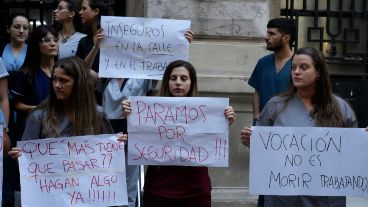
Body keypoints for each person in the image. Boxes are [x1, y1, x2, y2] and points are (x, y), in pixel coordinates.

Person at [240, 47, 357, 207]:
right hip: (284, 196)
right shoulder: (275, 106)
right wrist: (251, 141)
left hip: (326, 197)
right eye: (293, 67)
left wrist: (364, 140)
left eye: (303, 67)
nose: (296, 72)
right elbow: (263, 150)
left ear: (318, 73)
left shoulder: (340, 108)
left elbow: (353, 152)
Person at [122, 60, 235, 207]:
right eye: (173, 78)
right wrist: (130, 121)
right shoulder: (147, 112)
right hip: (158, 189)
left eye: (184, 78)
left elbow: (213, 143)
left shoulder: (208, 113)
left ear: (191, 82)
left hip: (195, 191)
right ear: (167, 82)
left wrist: (226, 121)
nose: (178, 83)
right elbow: (142, 143)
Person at [12, 25, 59, 138]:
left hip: (59, 127)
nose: (53, 44)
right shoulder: (25, 73)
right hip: (32, 129)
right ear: (36, 45)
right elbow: (16, 105)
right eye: (46, 40)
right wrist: (40, 109)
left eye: (56, 40)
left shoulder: (64, 70)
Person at [248, 18, 296, 126]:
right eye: (267, 33)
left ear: (286, 38)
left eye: (272, 34)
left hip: (289, 125)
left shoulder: (298, 64)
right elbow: (257, 92)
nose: (266, 37)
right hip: (263, 124)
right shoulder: (263, 63)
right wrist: (256, 117)